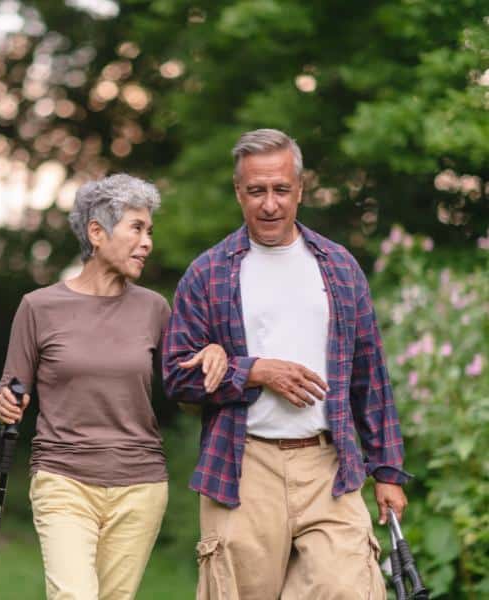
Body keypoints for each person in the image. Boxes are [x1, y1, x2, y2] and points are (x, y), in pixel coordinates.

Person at [162, 129, 410, 600]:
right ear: (239, 192)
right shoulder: (208, 272)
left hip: (328, 464)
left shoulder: (338, 266)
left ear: (300, 188)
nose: (269, 204)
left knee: (351, 588)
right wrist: (252, 371)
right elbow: (177, 374)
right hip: (243, 464)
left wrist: (388, 471)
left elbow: (369, 374)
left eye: (280, 189)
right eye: (257, 191)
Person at [0, 173, 228, 600]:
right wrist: (6, 404)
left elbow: (189, 390)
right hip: (63, 479)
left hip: (140, 486)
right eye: (136, 228)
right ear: (96, 233)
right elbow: (11, 389)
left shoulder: (155, 308)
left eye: (149, 231)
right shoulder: (39, 307)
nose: (147, 242)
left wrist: (213, 352)